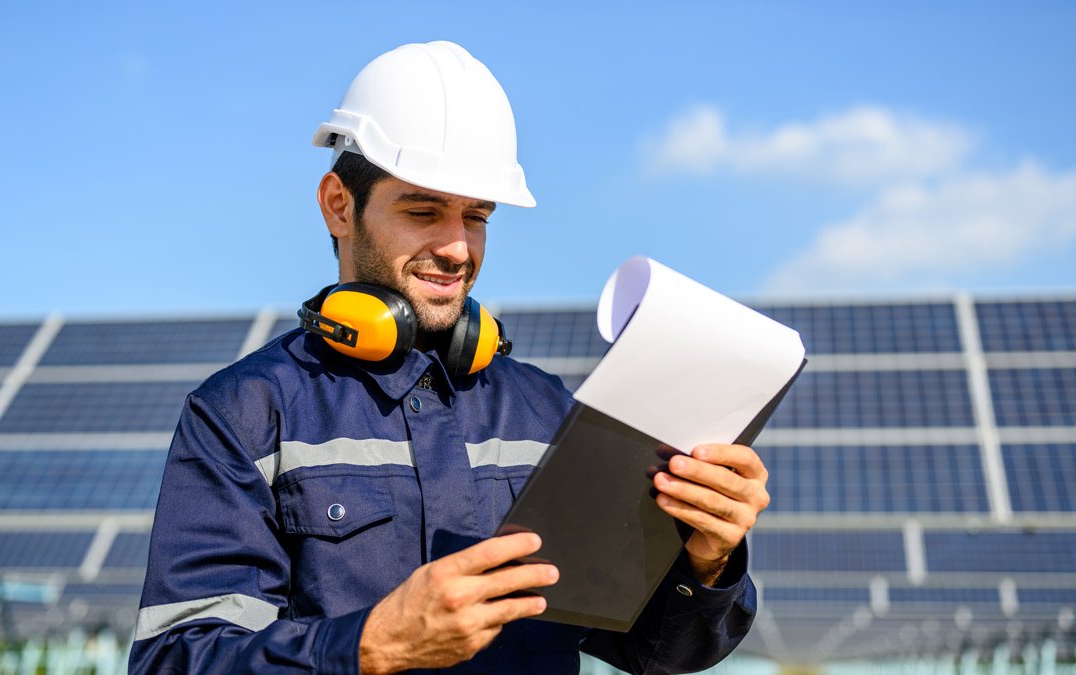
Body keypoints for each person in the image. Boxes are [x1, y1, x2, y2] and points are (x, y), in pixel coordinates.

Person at [129, 40, 769, 674]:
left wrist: (708, 558)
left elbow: (655, 650)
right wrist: (367, 647)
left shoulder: (547, 411)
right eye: (423, 211)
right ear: (338, 205)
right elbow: (173, 660)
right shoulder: (242, 413)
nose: (459, 249)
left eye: (477, 217)